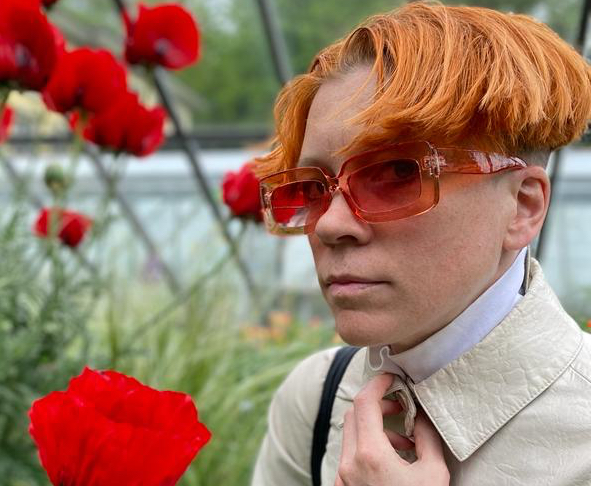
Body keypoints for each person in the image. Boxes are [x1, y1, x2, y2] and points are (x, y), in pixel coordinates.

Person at [250, 2, 591, 485]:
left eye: (397, 172)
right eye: (312, 187)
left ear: (522, 207)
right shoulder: (316, 399)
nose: (329, 224)